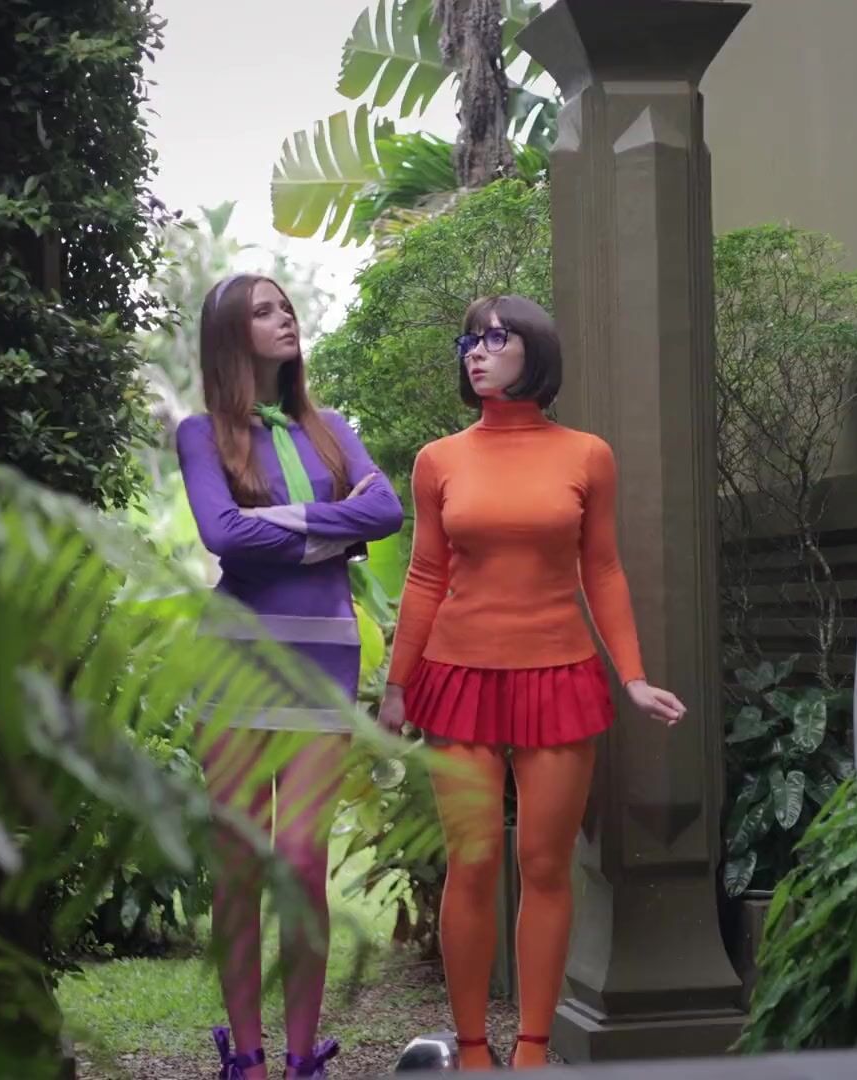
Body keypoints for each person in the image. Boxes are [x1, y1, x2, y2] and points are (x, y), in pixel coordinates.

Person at [377, 295, 686, 1070]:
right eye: (469, 342)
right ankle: (473, 1051)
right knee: (473, 863)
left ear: (535, 351)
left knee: (546, 867)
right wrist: (397, 686)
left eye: (495, 338)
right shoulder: (439, 460)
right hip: (458, 679)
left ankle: (533, 1052)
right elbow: (424, 575)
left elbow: (602, 569)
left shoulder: (587, 455)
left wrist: (634, 677)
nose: (476, 352)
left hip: (559, 676)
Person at [177, 272, 406, 1080]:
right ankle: (247, 1057)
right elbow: (221, 535)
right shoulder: (202, 434)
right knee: (241, 862)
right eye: (262, 311)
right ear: (230, 337)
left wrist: (277, 525)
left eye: (285, 306)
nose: (285, 318)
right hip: (235, 662)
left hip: (322, 661)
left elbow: (387, 514)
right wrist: (332, 531)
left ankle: (304, 1058)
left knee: (303, 861)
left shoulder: (332, 429)